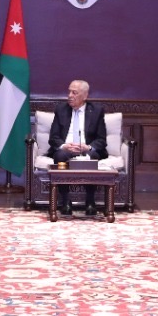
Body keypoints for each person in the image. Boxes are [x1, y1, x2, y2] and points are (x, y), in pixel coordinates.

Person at [46, 80, 108, 217]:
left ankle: (90, 202)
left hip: (86, 150)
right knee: (59, 156)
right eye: (69, 92)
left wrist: (88, 147)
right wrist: (64, 146)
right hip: (66, 150)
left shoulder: (96, 111)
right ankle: (65, 201)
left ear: (85, 96)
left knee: (92, 157)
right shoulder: (61, 110)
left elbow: (101, 140)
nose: (69, 95)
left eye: (74, 93)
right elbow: (53, 138)